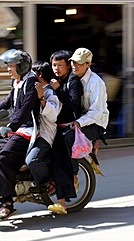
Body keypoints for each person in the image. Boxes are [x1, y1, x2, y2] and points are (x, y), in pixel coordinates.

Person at [0, 49, 40, 222]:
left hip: (28, 130)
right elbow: (7, 102)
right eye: (8, 66)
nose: (8, 69)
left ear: (22, 66)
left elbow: (25, 110)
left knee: (3, 158)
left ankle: (7, 204)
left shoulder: (31, 83)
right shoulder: (17, 82)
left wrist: (10, 127)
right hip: (17, 128)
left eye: (11, 66)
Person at [48, 50, 84, 214]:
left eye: (60, 65)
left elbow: (73, 105)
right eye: (54, 65)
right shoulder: (56, 81)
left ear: (68, 65)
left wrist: (59, 90)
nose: (56, 68)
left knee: (59, 162)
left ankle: (61, 202)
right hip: (55, 127)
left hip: (68, 128)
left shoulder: (73, 81)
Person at [25, 61, 61, 189]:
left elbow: (53, 114)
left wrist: (41, 99)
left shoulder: (50, 93)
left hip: (44, 135)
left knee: (32, 161)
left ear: (39, 75)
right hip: (29, 133)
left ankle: (48, 182)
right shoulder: (30, 91)